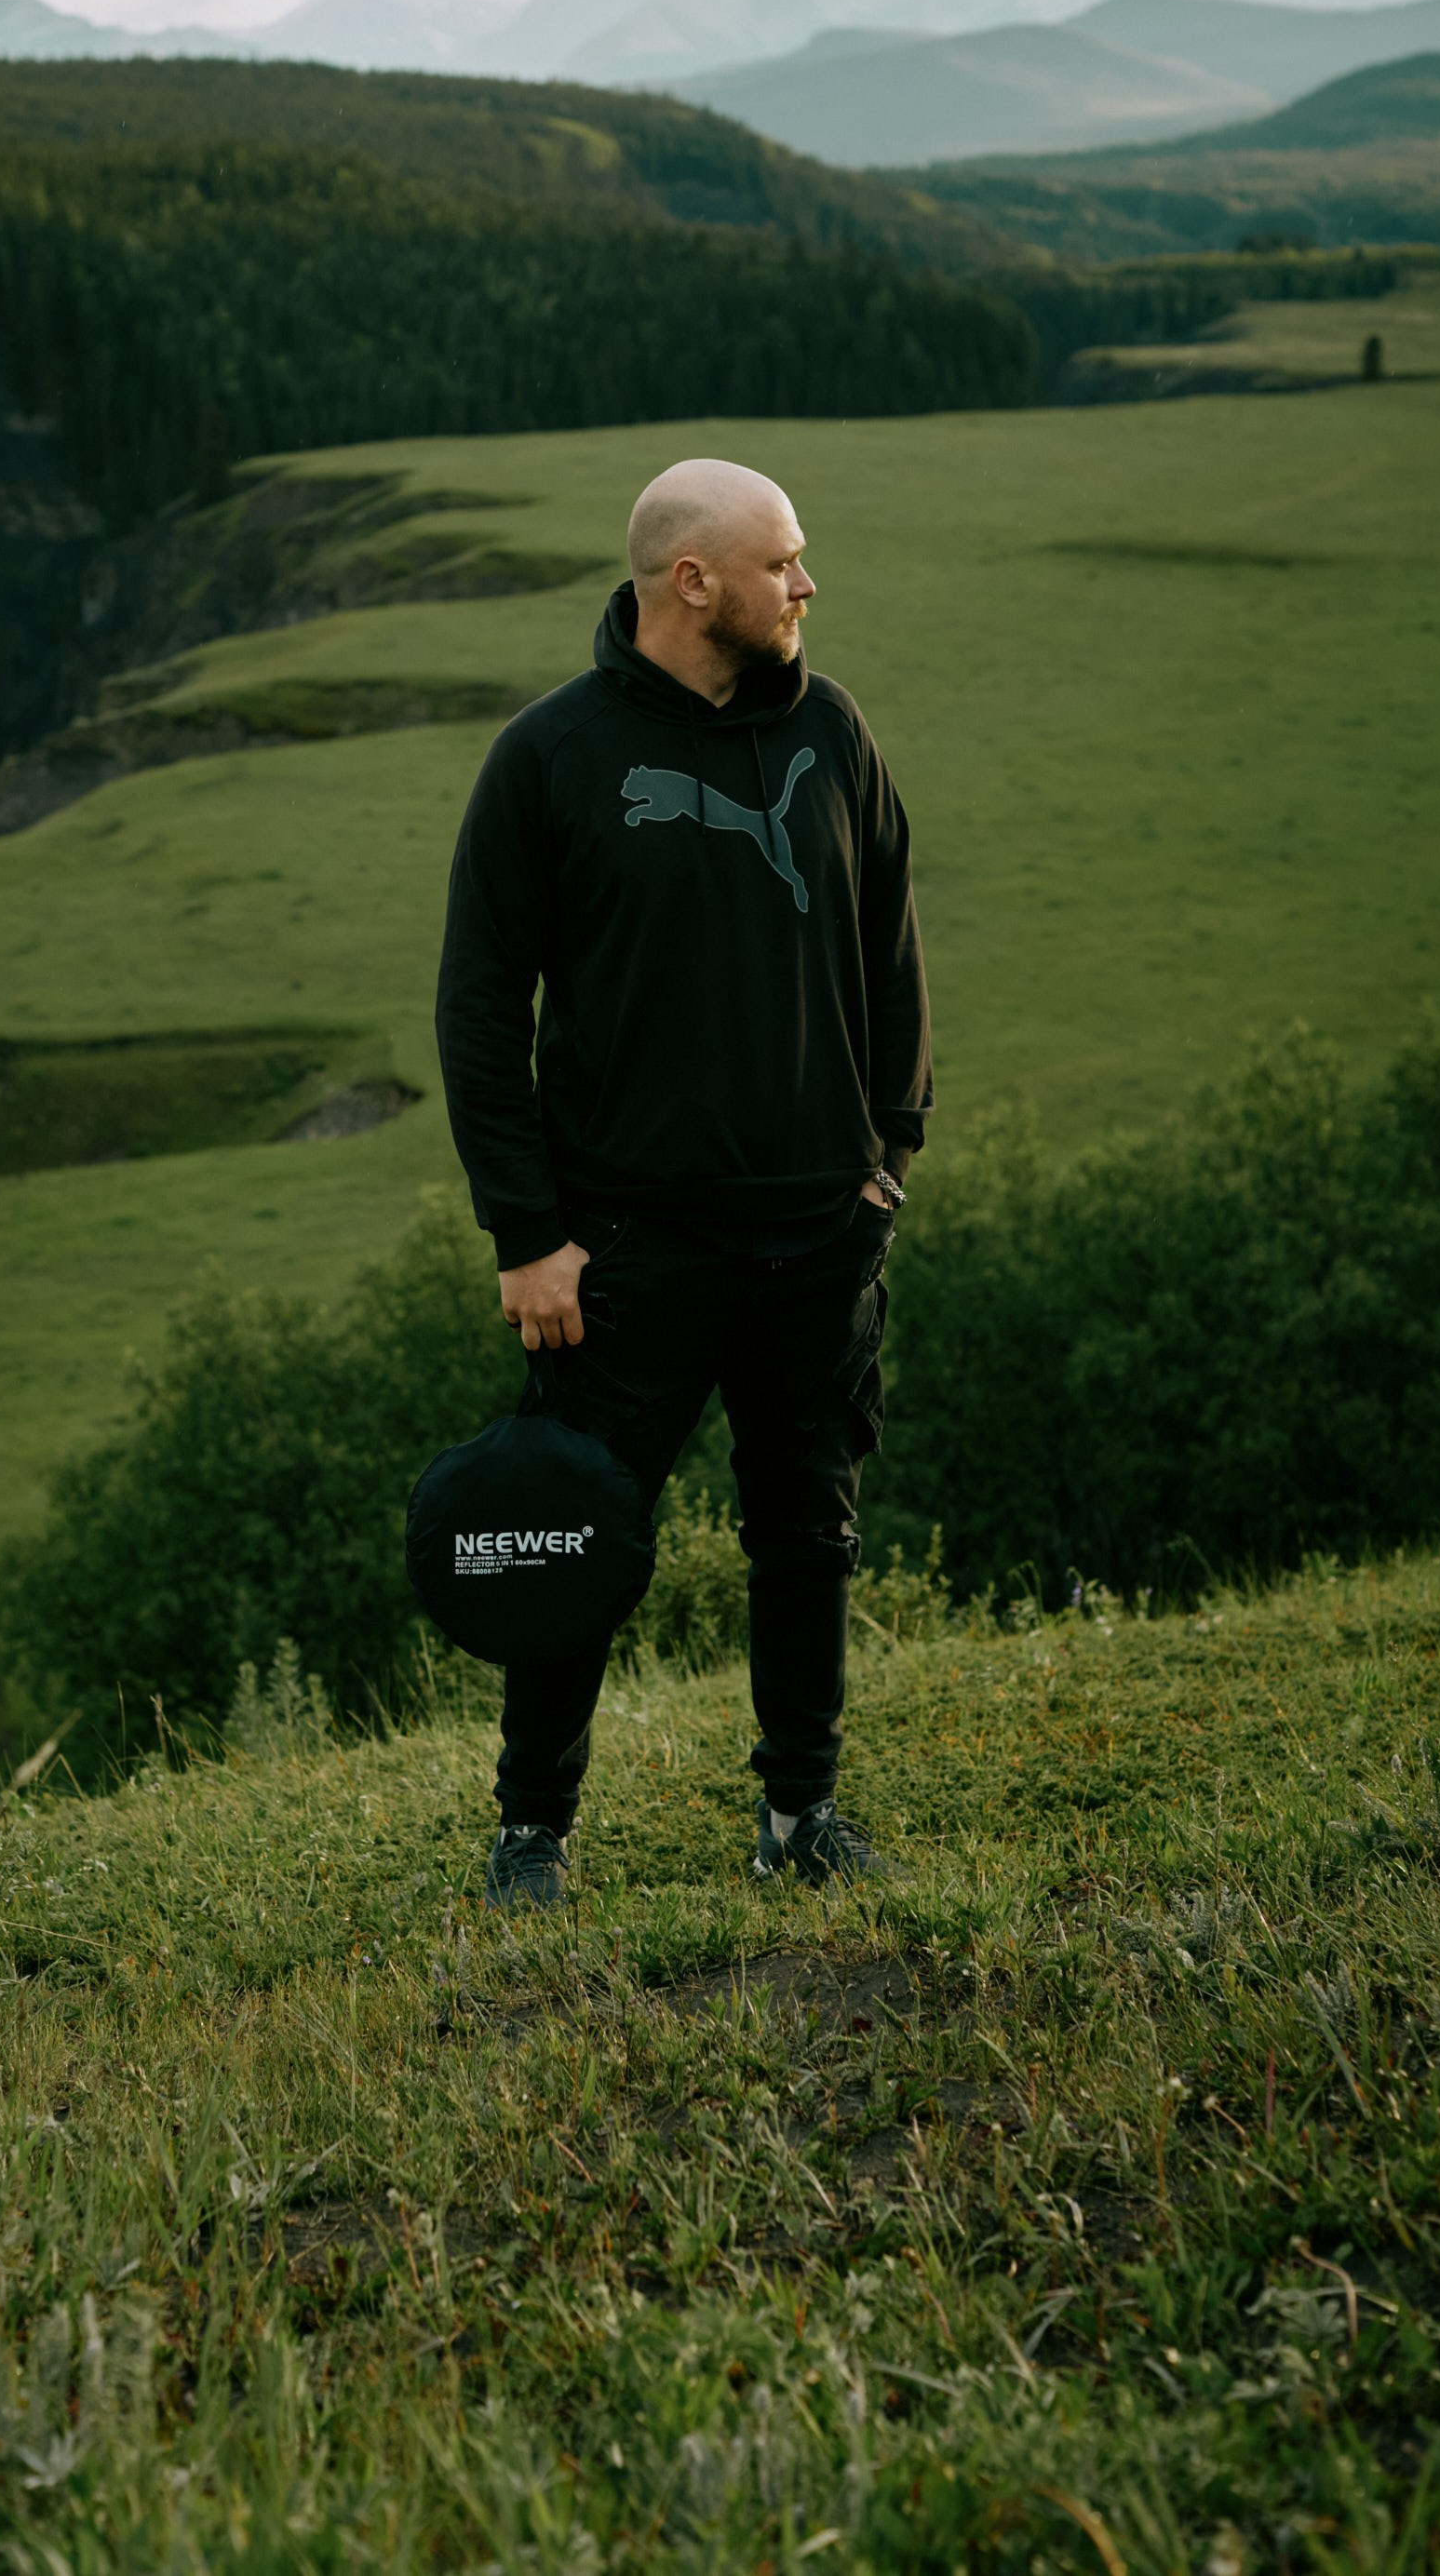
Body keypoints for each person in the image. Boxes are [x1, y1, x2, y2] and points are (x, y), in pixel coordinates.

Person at [434, 456, 933, 1910]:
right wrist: (528, 1232)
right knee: (573, 1527)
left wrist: (884, 1156)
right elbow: (481, 1007)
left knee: (807, 1533)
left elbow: (891, 945)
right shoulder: (552, 758)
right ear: (692, 582)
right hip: (622, 1251)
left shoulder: (832, 731)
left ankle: (803, 1816)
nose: (808, 583)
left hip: (815, 1233)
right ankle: (533, 1836)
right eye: (784, 560)